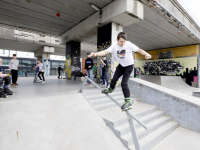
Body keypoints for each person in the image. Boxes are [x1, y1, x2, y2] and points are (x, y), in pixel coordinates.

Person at [88, 32, 151, 111]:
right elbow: (104, 52)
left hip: (129, 66)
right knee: (114, 79)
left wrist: (146, 54)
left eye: (124, 41)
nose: (123, 43)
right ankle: (110, 89)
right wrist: (95, 54)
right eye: (121, 41)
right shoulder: (114, 46)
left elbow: (139, 50)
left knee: (123, 83)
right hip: (121, 65)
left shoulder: (128, 44)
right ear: (117, 40)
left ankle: (128, 101)